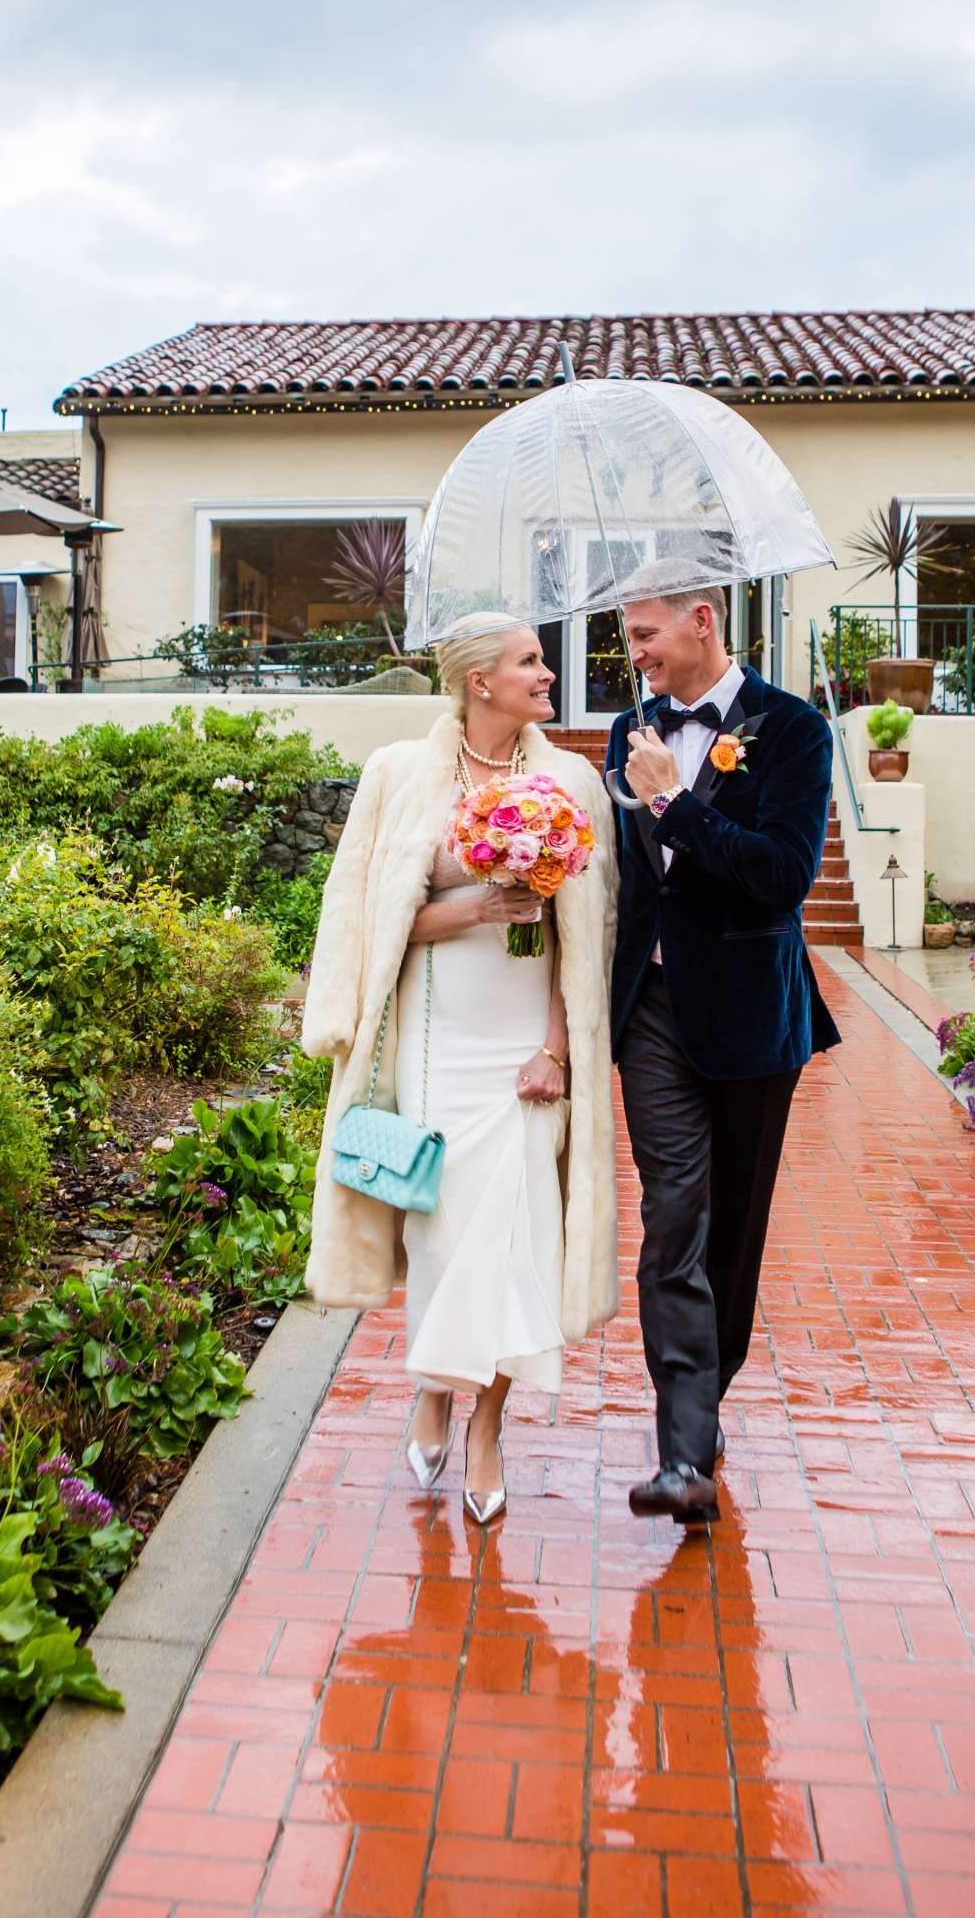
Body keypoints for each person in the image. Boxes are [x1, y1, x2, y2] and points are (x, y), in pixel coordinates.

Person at [303, 614, 618, 1524]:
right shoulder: (398, 774)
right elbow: (369, 914)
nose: (547, 672)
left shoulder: (571, 781)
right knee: (443, 1237)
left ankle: (486, 1427)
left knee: (517, 1235)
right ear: (479, 680)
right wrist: (477, 907)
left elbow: (583, 939)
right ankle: (435, 1389)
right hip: (434, 1043)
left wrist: (557, 1047)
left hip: (526, 1044)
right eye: (529, 660)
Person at [605, 563, 839, 1524]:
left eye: (646, 634)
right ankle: (682, 1458)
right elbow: (633, 883)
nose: (635, 654)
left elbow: (783, 878)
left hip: (753, 1017)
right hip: (653, 1009)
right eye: (627, 638)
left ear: (703, 622)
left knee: (732, 1235)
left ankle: (703, 1414)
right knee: (673, 1218)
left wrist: (674, 805)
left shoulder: (793, 730)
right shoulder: (631, 731)